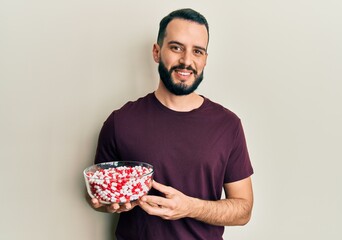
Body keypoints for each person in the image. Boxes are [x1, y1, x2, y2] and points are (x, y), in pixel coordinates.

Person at [89, 8, 254, 240]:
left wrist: (190, 208)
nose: (186, 61)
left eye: (197, 51)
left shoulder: (228, 125)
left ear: (205, 59)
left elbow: (243, 210)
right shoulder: (120, 122)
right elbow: (99, 196)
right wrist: (107, 203)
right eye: (176, 48)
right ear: (157, 52)